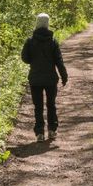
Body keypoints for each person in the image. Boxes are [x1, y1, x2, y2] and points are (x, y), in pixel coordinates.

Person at [21, 12, 68, 142]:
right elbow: (59, 61)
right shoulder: (53, 41)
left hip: (35, 79)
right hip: (50, 79)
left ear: (37, 23)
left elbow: (25, 58)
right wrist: (64, 76)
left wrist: (34, 60)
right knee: (51, 104)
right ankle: (52, 130)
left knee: (38, 106)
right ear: (47, 24)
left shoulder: (30, 41)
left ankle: (39, 133)